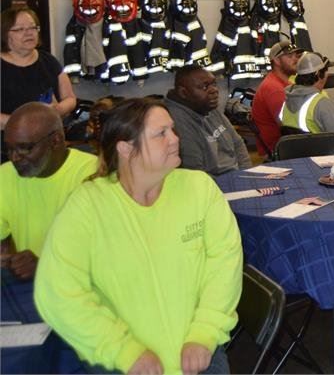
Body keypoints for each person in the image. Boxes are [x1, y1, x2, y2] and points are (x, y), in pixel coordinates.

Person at [35, 97, 242, 374]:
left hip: (199, 355)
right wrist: (123, 350)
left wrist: (205, 332)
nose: (174, 139)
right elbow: (58, 292)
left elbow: (224, 264)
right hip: (123, 365)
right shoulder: (88, 206)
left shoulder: (200, 189)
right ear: (126, 148)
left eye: (173, 130)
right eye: (161, 134)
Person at [1, 103, 97, 280]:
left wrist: (44, 266)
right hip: (33, 289)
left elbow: (105, 257)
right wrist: (7, 258)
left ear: (56, 141)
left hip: (81, 290)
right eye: (9, 148)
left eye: (25, 148)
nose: (15, 157)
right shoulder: (4, 176)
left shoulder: (94, 177)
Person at [164, 65, 252, 174]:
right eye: (205, 87)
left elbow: (238, 143)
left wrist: (246, 175)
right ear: (183, 93)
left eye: (214, 84)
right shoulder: (176, 121)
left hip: (237, 177)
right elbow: (195, 173)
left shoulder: (205, 106)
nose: (214, 90)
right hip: (214, 185)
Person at [1, 6, 77, 130]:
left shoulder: (48, 61)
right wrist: (25, 124)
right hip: (7, 142)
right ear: (4, 34)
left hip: (47, 140)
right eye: (20, 29)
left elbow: (70, 98)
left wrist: (58, 110)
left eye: (33, 27)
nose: (29, 33)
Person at [280, 52, 334, 150]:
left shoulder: (287, 99)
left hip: (298, 156)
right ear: (319, 74)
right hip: (324, 156)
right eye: (326, 71)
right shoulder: (321, 104)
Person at [250, 41, 304, 156]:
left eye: (296, 56)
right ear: (277, 60)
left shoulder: (283, 83)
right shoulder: (274, 89)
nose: (296, 60)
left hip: (286, 144)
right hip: (280, 150)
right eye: (289, 56)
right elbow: (290, 127)